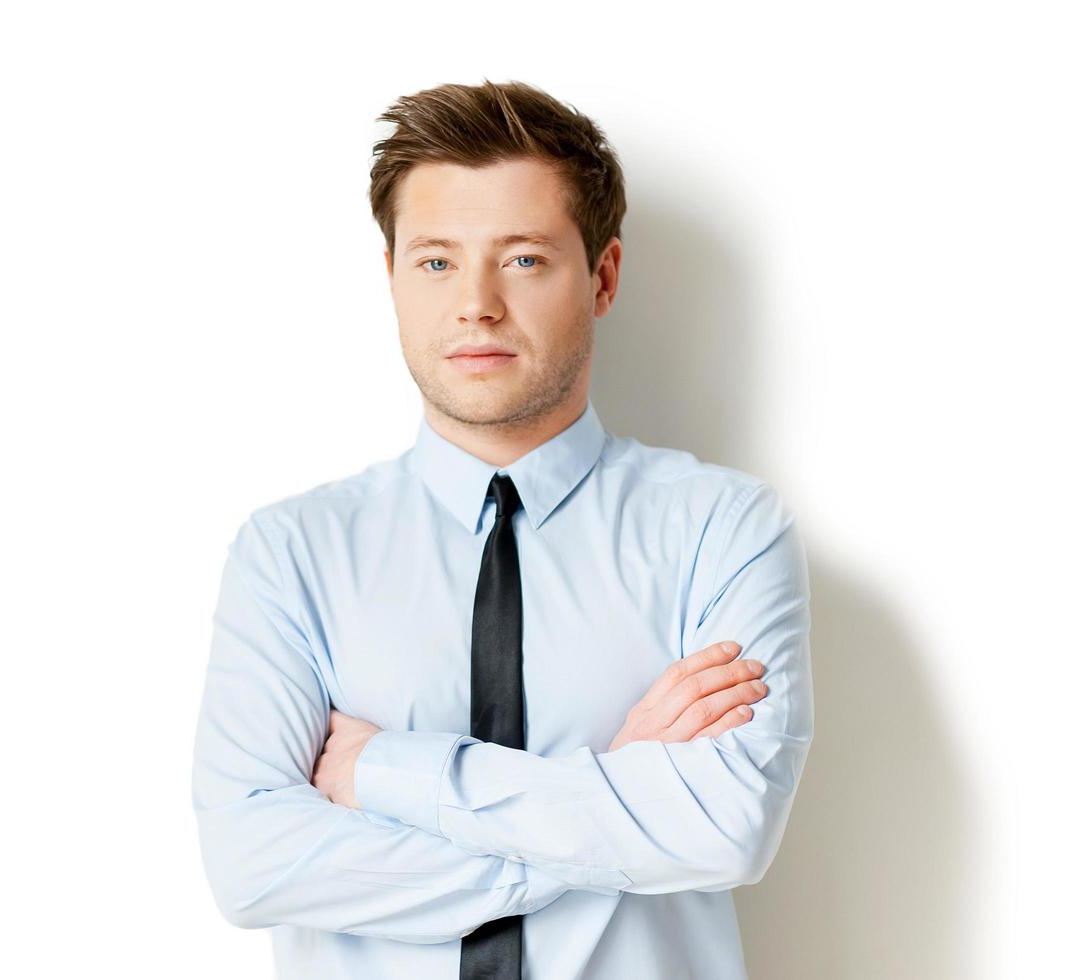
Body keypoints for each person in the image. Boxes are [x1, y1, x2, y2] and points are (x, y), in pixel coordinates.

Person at [190, 78, 813, 979]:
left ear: (601, 277)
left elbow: (722, 830)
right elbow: (251, 865)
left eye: (522, 258)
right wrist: (612, 799)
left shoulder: (720, 531)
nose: (474, 303)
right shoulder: (290, 554)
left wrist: (385, 774)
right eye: (436, 261)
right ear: (392, 277)